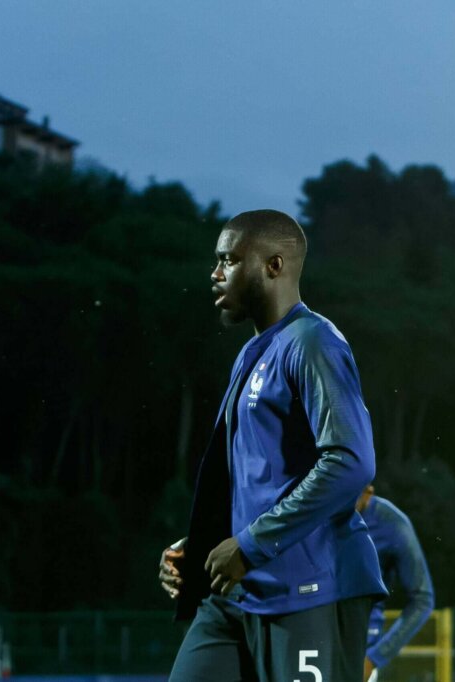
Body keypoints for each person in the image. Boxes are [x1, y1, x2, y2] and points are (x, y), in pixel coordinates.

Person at [157, 209, 387, 682]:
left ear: (273, 265)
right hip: (236, 596)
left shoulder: (313, 342)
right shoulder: (252, 351)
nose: (215, 273)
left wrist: (251, 543)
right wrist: (202, 544)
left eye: (229, 260)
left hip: (311, 592)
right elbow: (257, 478)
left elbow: (351, 461)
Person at [356, 485, 436, 681]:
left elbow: (422, 599)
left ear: (367, 492)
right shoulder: (319, 510)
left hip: (359, 649)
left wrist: (373, 658)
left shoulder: (391, 522)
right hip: (315, 642)